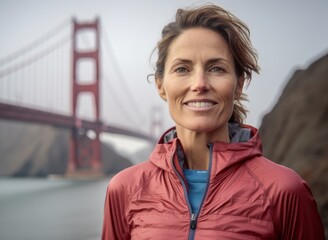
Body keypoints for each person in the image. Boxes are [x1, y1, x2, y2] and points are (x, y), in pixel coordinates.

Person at [102, 4, 325, 240]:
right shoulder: (124, 189)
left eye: (217, 68)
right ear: (160, 85)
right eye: (182, 69)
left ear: (239, 84)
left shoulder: (285, 190)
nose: (199, 83)